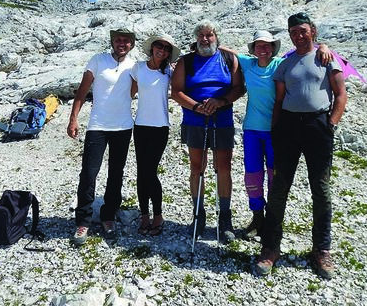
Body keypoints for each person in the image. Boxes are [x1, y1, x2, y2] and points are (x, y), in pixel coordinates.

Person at [255, 13, 347, 279]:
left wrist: (331, 123)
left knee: (320, 188)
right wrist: (275, 129)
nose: (298, 34)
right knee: (279, 186)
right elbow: (279, 99)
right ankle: (270, 247)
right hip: (287, 127)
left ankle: (322, 249)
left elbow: (340, 94)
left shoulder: (328, 59)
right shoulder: (285, 63)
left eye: (303, 30)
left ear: (313, 31)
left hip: (318, 126)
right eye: (293, 31)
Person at [233, 31, 332, 238]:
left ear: (273, 48)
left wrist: (323, 45)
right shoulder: (247, 64)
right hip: (251, 128)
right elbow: (227, 50)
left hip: (276, 129)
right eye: (259, 46)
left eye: (268, 45)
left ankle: (272, 219)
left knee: (274, 176)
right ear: (253, 49)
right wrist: (199, 47)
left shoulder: (282, 63)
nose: (263, 49)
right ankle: (257, 216)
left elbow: (306, 53)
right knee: (252, 174)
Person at [170, 20, 245, 243]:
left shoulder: (228, 59)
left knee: (223, 166)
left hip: (222, 119)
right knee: (196, 166)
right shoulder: (186, 61)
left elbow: (239, 88)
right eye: (201, 35)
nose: (205, 39)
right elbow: (176, 91)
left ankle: (225, 218)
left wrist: (221, 101)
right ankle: (198, 215)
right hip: (195, 120)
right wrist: (196, 106)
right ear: (196, 39)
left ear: (216, 37)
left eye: (209, 35)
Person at [68, 28, 137, 245]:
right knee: (89, 173)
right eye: (118, 40)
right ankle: (83, 221)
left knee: (116, 173)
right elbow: (82, 90)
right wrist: (73, 118)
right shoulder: (98, 60)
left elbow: (134, 91)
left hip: (123, 126)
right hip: (97, 125)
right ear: (112, 42)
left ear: (131, 44)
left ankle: (109, 216)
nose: (122, 44)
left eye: (126, 41)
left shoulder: (135, 65)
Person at [130, 33, 180, 237]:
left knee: (149, 171)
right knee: (141, 173)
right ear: (152, 48)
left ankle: (158, 215)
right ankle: (144, 215)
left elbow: (181, 87)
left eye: (166, 48)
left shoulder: (169, 71)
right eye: (159, 46)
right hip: (140, 125)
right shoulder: (138, 68)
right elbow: (130, 93)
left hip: (160, 126)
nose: (162, 50)